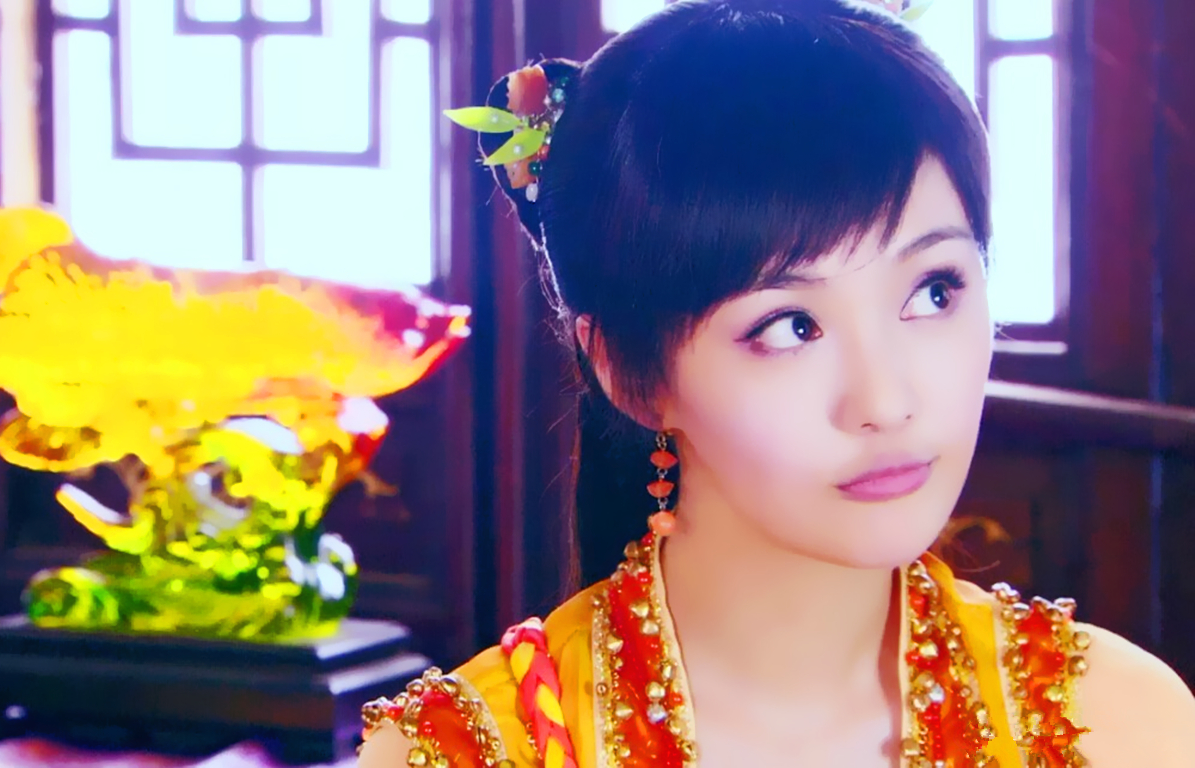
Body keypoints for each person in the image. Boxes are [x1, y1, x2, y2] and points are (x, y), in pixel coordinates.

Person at [358, 0, 1195, 765]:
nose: (886, 401)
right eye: (790, 326)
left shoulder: (1117, 724)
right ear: (624, 371)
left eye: (933, 291)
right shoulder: (465, 750)